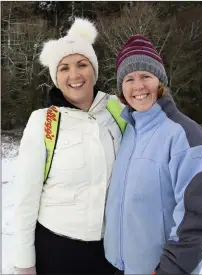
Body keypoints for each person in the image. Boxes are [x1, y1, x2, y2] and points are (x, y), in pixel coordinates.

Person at [13, 18, 122, 275]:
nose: (74, 75)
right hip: (58, 251)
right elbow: (26, 199)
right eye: (64, 68)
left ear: (94, 70)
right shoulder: (43, 121)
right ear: (55, 76)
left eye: (82, 65)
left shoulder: (118, 110)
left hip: (113, 250)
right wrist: (25, 264)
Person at [104, 35, 202, 275]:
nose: (138, 86)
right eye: (129, 78)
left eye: (146, 76)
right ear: (121, 88)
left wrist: (171, 269)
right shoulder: (128, 131)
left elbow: (197, 217)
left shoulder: (185, 135)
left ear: (161, 82)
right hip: (120, 267)